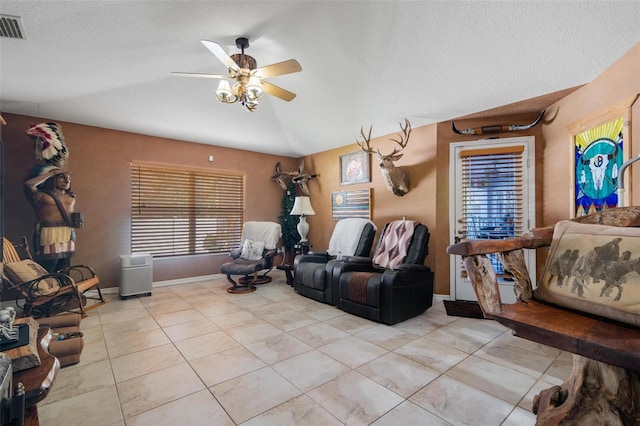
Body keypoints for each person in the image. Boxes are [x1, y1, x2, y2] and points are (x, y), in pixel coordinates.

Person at [23, 165, 81, 272]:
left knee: (65, 267)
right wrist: (51, 173)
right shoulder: (41, 195)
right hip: (48, 233)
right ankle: (47, 288)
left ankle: (64, 288)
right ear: (53, 179)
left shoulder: (72, 196)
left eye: (68, 177)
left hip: (67, 233)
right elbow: (28, 184)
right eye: (62, 177)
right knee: (47, 267)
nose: (66, 180)